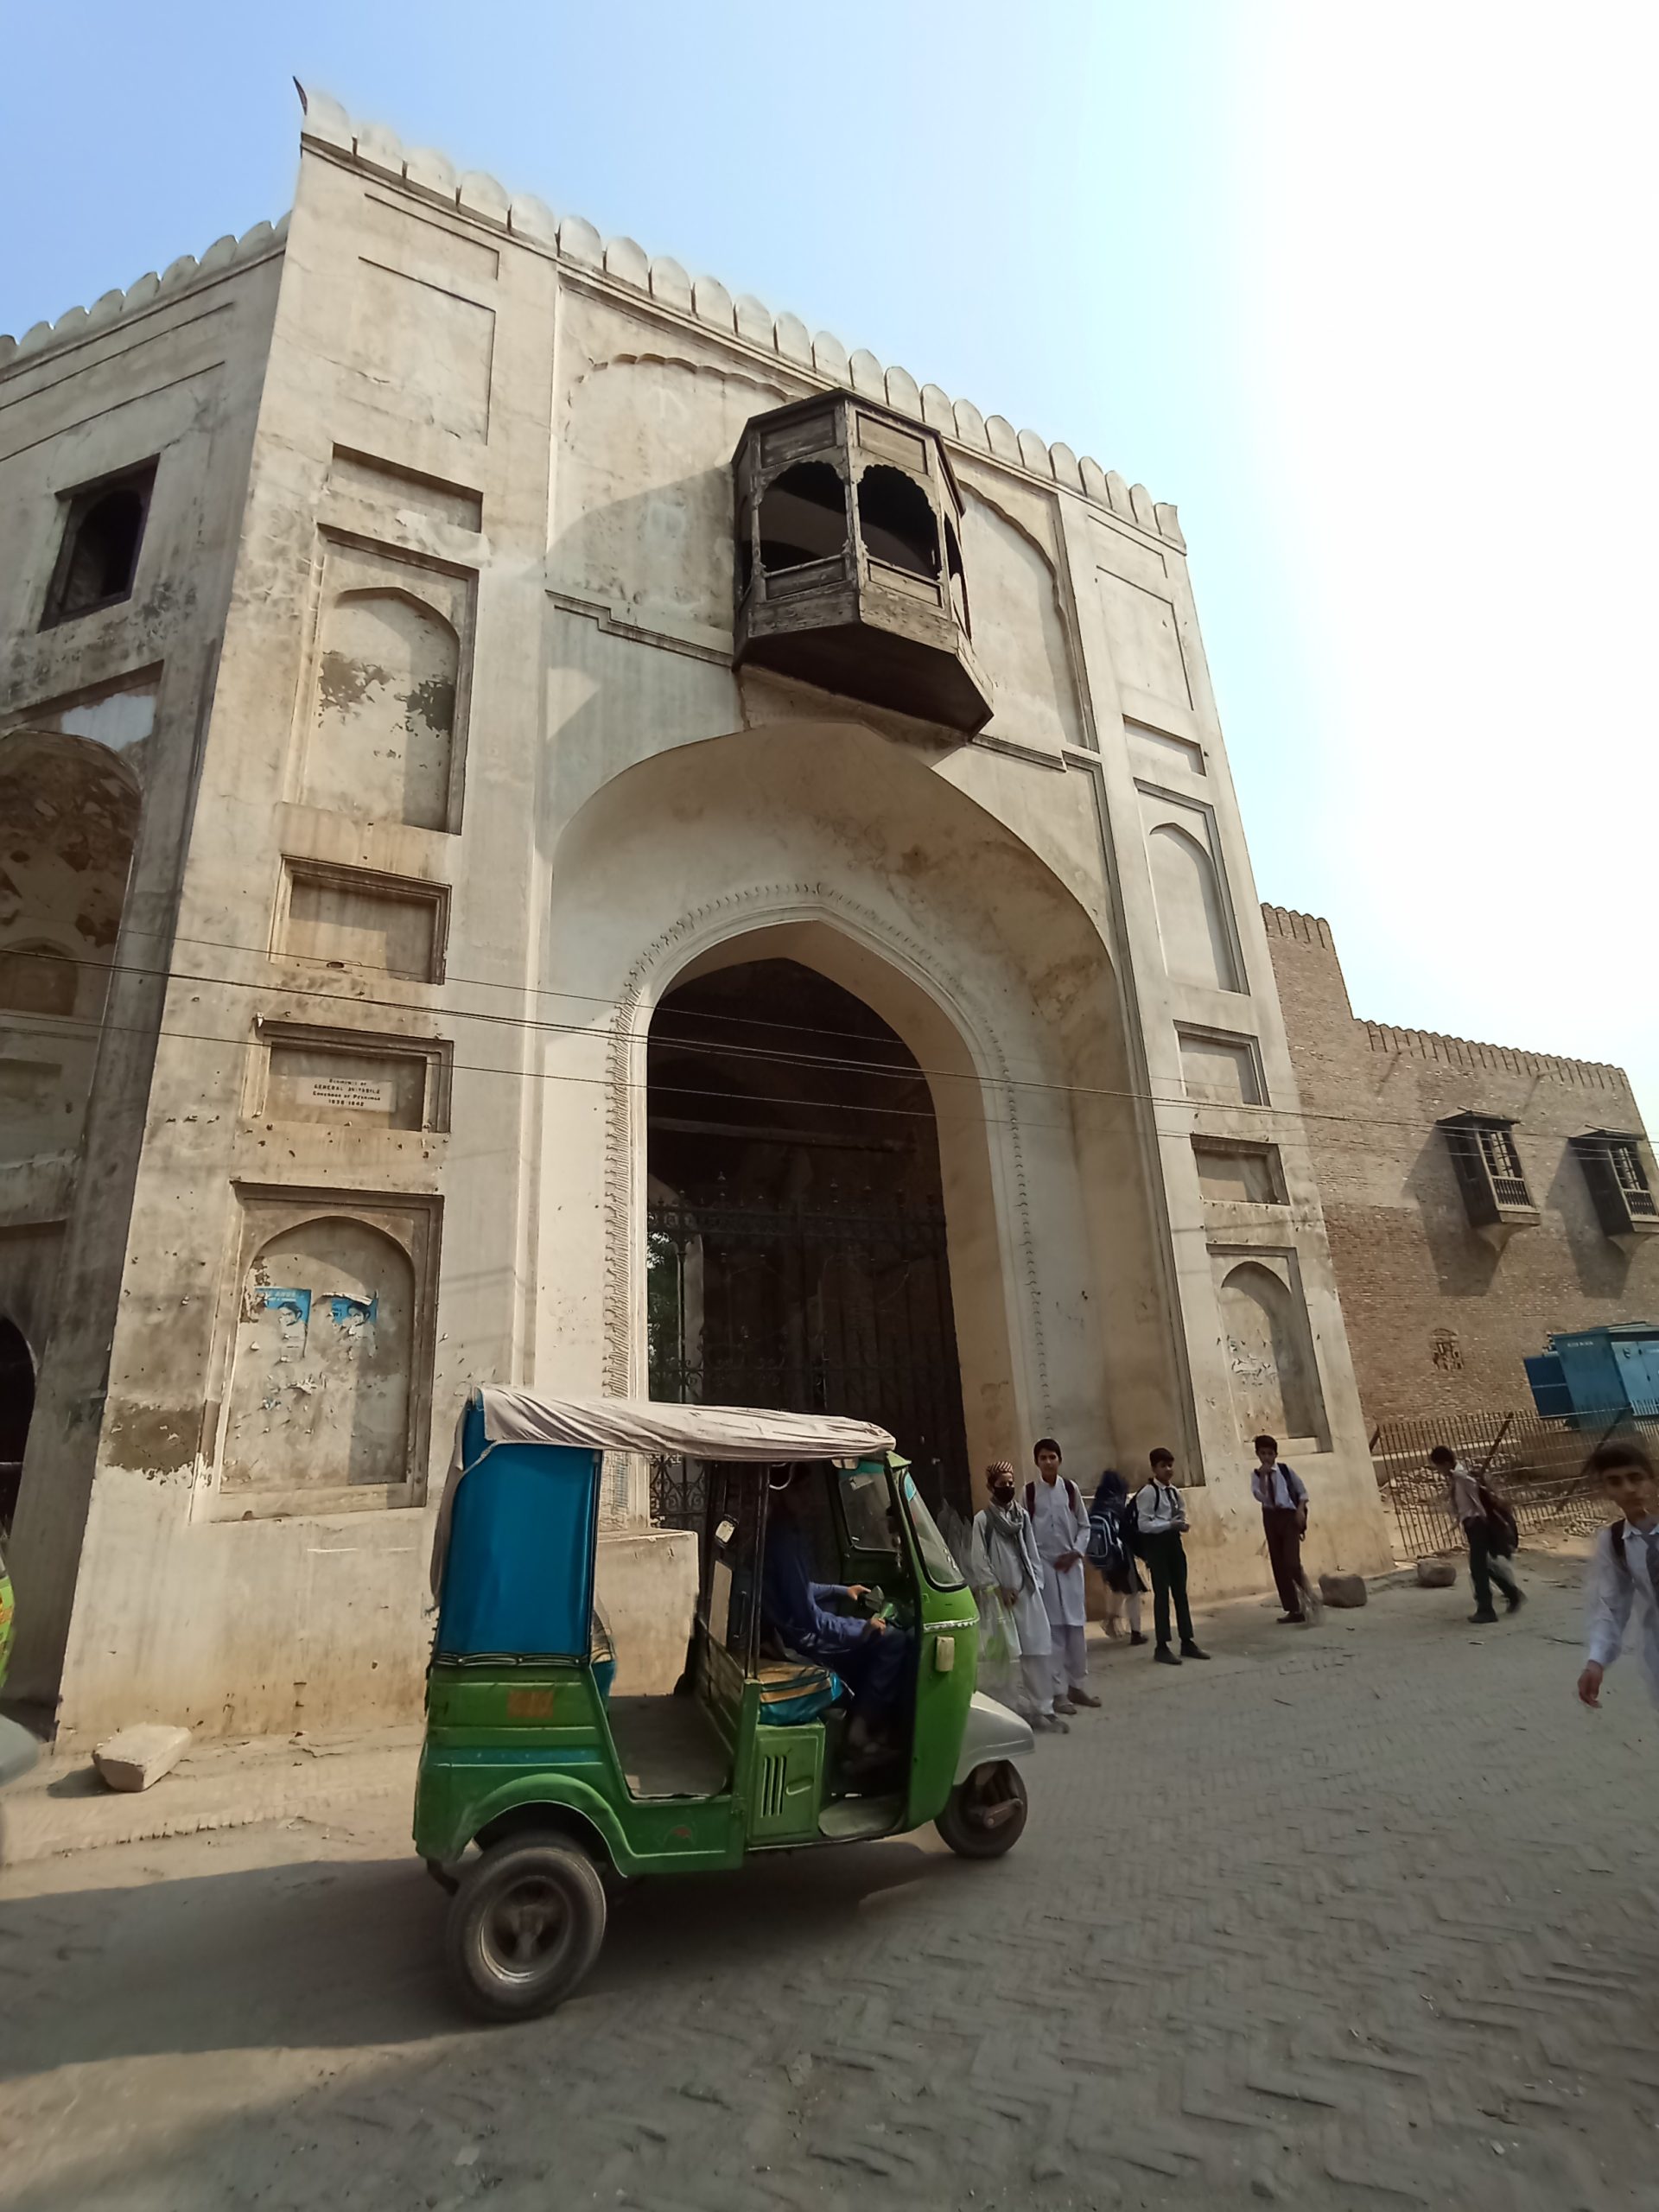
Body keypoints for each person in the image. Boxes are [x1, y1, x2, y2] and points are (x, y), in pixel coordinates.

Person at [761, 1473, 909, 1740]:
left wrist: (841, 1591)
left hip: (793, 1630)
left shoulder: (784, 1531)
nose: (808, 1498)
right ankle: (860, 1730)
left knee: (865, 1631)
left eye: (808, 1489)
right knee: (893, 1640)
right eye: (799, 1491)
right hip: (799, 1640)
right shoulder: (784, 1539)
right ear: (781, 1493)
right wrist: (862, 1630)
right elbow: (810, 1618)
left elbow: (799, 1590)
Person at [969, 1462, 1065, 1731]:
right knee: (1006, 1657)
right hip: (1001, 1598)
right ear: (991, 1487)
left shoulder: (1021, 1516)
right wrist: (997, 1588)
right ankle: (1010, 1713)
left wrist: (1033, 1583)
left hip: (1027, 1593)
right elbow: (979, 1559)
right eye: (1003, 1484)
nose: (1008, 1488)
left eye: (1011, 1483)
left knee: (1037, 1651)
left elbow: (1032, 1551)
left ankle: (1043, 1708)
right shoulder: (983, 1521)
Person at [1577, 1438, 1659, 1714]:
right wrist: (1596, 1660)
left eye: (1636, 1478)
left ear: (1652, 1479)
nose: (1629, 1489)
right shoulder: (1614, 1542)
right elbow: (1611, 1604)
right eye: (1615, 1482)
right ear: (1605, 1490)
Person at [1025, 1439, 1101, 1713]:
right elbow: (1025, 1532)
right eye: (1043, 1458)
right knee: (1054, 1632)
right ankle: (1058, 1693)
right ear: (1037, 1462)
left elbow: (1084, 1525)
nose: (1048, 1462)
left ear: (1060, 1459)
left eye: (1052, 1457)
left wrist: (1076, 1553)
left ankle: (1077, 1686)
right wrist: (1034, 1565)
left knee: (1076, 1630)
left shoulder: (1070, 1489)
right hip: (1045, 1568)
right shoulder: (1029, 1493)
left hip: (1070, 1568)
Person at [1430, 1444, 1523, 1624]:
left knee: (1477, 1568)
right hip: (1474, 1525)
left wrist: (1480, 1518)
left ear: (1445, 1463)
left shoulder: (1462, 1477)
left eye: (1439, 1467)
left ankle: (1486, 1609)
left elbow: (1477, 1495)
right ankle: (1512, 1594)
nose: (1439, 1471)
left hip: (1478, 1526)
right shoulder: (1458, 1477)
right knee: (1484, 1566)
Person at [1133, 1448, 1210, 1666]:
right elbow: (1144, 1524)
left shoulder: (1174, 1492)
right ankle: (1162, 1645)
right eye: (1163, 1466)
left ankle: (1187, 1640)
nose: (1168, 1470)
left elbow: (1181, 1512)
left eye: (1170, 1465)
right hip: (1157, 1546)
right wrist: (1168, 1525)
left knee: (1180, 1593)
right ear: (1154, 1468)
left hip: (1174, 1544)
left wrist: (1181, 1523)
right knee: (1162, 1595)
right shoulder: (1148, 1493)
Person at [1251, 1433, 1310, 1624]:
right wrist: (1263, 1476)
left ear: (1275, 1454)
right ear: (1258, 1454)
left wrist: (1300, 1511)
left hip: (1289, 1516)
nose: (1267, 1457)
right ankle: (1293, 1608)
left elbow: (1302, 1492)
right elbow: (1261, 1496)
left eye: (1270, 1454)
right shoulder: (1256, 1475)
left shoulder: (1285, 1471)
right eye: (1263, 1453)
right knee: (1279, 1563)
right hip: (1270, 1516)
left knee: (1292, 1561)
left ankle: (1307, 1596)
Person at [1087, 1469, 1147, 1644]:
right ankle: (1135, 1632)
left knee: (1117, 1589)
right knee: (1133, 1592)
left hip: (1106, 1558)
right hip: (1121, 1556)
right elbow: (1128, 1531)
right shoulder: (1117, 1505)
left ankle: (1112, 1622)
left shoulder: (1097, 1505)